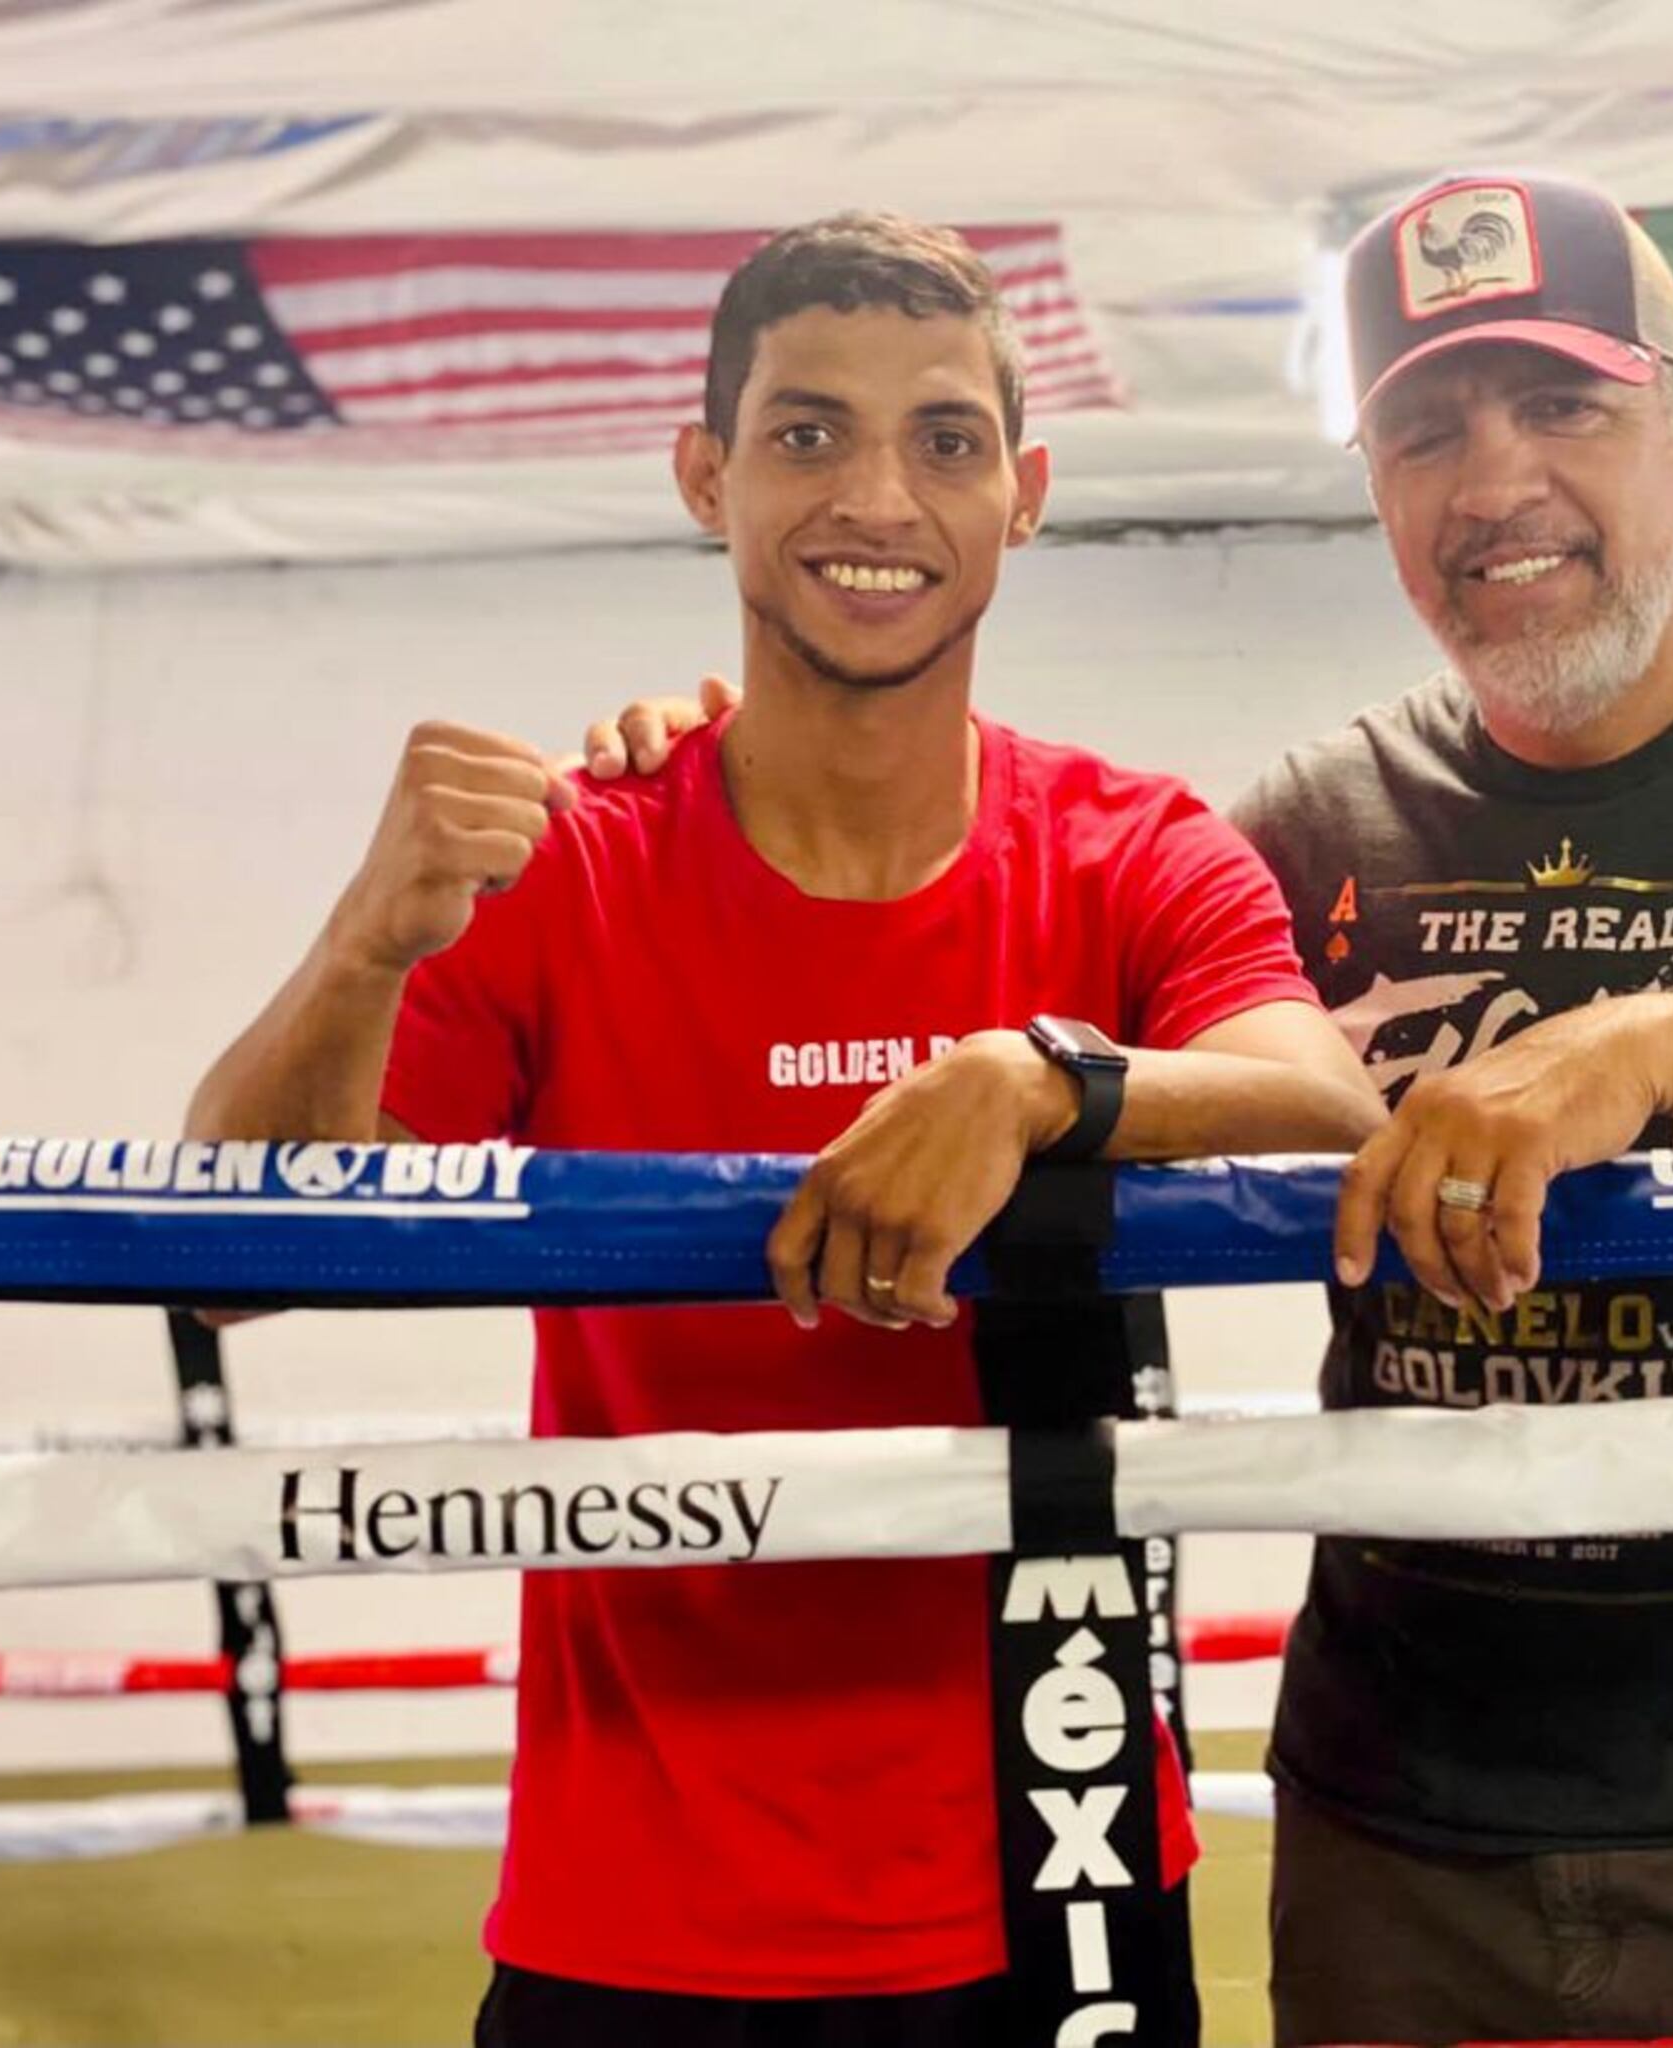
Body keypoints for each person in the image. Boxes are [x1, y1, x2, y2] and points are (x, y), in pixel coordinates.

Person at [580, 174, 1673, 2044]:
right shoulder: (1310, 827)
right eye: (1424, 429)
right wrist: (721, 765)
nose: (1491, 483)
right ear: (1385, 496)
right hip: (1390, 1833)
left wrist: (1653, 1045)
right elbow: (974, 946)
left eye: (1561, 407)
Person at [186, 212, 1381, 2047]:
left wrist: (1035, 1075)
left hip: (1052, 1860)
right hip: (636, 1901)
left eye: (948, 441)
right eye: (808, 433)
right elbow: (222, 1260)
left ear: (1026, 493)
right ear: (706, 474)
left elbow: (1316, 1097)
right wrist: (362, 944)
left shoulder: (1123, 851)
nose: (878, 497)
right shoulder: (571, 865)